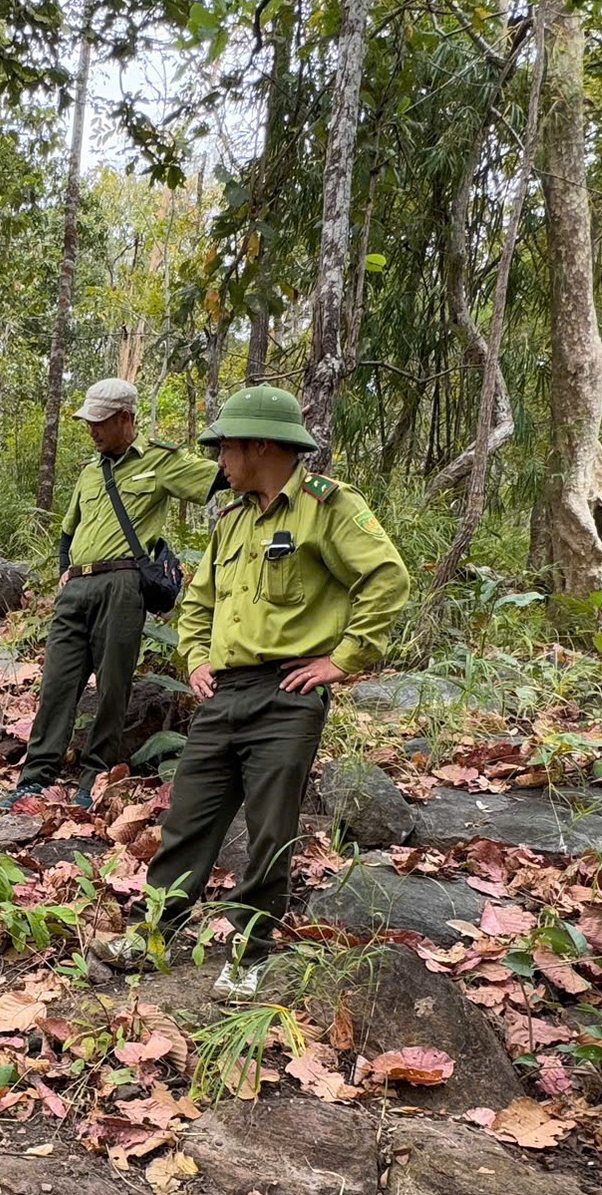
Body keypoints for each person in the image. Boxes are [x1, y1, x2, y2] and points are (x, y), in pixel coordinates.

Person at [98, 384, 409, 999]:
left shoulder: (328, 507)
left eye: (226, 449)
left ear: (261, 445)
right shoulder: (232, 520)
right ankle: (158, 927)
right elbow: (200, 603)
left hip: (287, 694)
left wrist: (344, 659)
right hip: (224, 692)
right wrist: (194, 659)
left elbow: (386, 576)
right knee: (189, 816)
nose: (219, 462)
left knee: (270, 826)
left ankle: (251, 948)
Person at [11, 377, 221, 810]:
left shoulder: (161, 461)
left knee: (112, 686)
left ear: (126, 418)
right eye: (89, 422)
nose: (93, 430)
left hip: (123, 584)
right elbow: (68, 532)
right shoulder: (91, 472)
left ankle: (94, 777)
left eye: (100, 422)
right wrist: (66, 572)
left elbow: (221, 478)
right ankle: (36, 777)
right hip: (77, 588)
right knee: (57, 683)